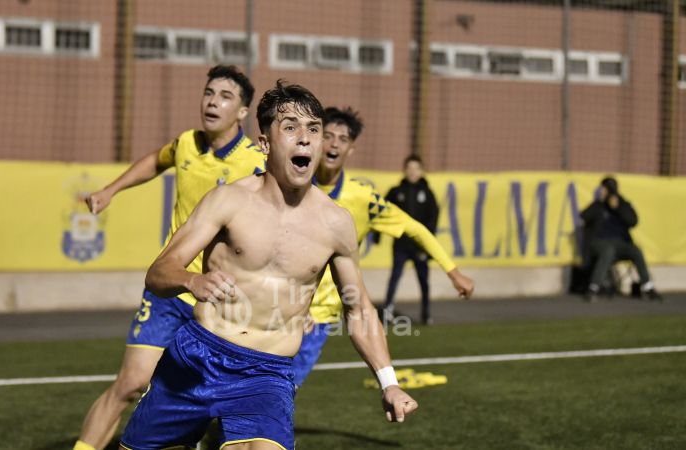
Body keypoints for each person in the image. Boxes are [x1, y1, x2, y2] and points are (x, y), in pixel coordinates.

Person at [119, 81, 418, 450]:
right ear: (264, 144)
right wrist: (190, 281)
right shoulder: (227, 201)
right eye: (290, 128)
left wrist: (389, 382)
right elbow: (158, 273)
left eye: (313, 130)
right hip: (198, 357)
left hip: (266, 373)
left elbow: (358, 309)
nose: (305, 139)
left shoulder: (335, 223)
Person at [73, 65, 265, 450]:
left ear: (243, 112)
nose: (213, 101)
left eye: (226, 96)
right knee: (130, 384)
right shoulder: (186, 144)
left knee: (220, 399)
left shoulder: (254, 160)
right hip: (169, 288)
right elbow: (156, 161)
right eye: (209, 92)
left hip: (221, 299)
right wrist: (112, 190)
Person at [292, 107, 474, 387]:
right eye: (327, 135)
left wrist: (453, 272)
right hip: (274, 304)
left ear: (351, 149)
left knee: (280, 389)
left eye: (342, 139)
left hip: (318, 316)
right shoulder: (289, 182)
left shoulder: (363, 198)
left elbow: (415, 228)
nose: (334, 143)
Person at [580, 176, 662, 302]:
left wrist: (618, 208)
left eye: (604, 189)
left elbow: (633, 221)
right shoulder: (599, 205)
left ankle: (647, 287)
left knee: (636, 251)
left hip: (621, 243)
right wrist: (599, 203)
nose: (602, 191)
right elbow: (584, 216)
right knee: (608, 250)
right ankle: (593, 288)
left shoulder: (622, 204)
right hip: (600, 242)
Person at [382, 155, 440, 325]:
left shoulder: (427, 193)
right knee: (395, 276)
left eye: (416, 169)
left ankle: (426, 313)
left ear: (421, 171)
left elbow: (433, 218)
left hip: (420, 246)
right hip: (401, 244)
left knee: (423, 281)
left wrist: (428, 243)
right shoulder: (396, 191)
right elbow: (382, 211)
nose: (413, 172)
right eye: (410, 168)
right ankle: (388, 312)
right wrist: (378, 235)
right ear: (404, 170)